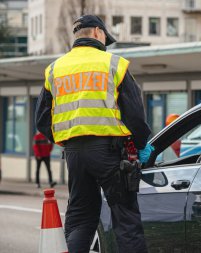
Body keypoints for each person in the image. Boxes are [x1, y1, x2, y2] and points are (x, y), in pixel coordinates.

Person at [35, 15, 153, 253]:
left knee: (80, 218)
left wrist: (65, 139)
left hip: (75, 155)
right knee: (126, 218)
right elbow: (135, 115)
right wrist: (142, 144)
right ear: (98, 33)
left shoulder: (55, 69)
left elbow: (41, 119)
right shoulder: (114, 64)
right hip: (109, 153)